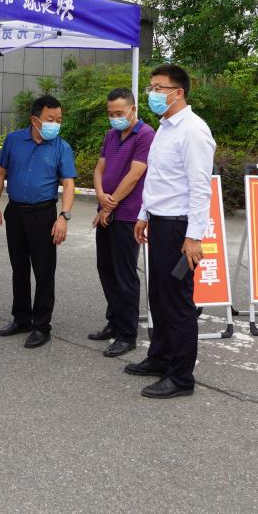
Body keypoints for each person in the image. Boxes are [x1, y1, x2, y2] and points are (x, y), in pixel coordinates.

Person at [126, 64, 215, 399]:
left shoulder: (193, 130)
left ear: (178, 93)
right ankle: (160, 357)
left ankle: (181, 377)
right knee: (159, 298)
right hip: (160, 221)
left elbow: (200, 187)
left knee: (177, 302)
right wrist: (144, 214)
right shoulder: (165, 128)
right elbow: (158, 178)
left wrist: (193, 237)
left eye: (158, 88)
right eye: (150, 87)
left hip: (179, 227)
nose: (152, 93)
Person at [0, 95, 77, 348]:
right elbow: (0, 171)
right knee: (19, 267)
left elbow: (68, 183)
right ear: (34, 120)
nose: (55, 124)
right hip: (15, 212)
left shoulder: (62, 147)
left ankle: (41, 326)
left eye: (59, 120)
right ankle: (21, 319)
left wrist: (64, 216)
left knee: (44, 271)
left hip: (44, 214)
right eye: (50, 119)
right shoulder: (14, 140)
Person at [90, 87, 154, 357]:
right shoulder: (110, 135)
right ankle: (114, 322)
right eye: (110, 113)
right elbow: (100, 168)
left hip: (127, 215)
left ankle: (128, 334)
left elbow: (135, 175)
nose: (114, 117)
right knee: (105, 268)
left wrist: (109, 204)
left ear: (132, 110)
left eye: (119, 113)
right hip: (107, 208)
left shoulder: (146, 135)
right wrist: (100, 195)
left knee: (124, 274)